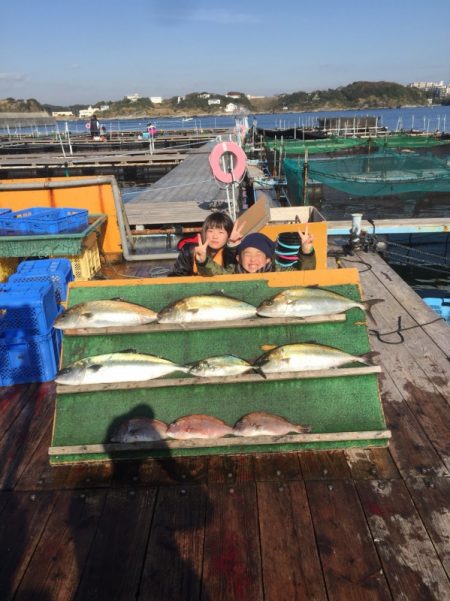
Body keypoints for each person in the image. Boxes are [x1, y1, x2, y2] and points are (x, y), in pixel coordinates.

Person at [197, 227, 316, 276]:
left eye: (259, 254)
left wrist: (306, 252)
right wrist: (203, 261)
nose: (253, 259)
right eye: (247, 254)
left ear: (268, 259)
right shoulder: (232, 273)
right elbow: (213, 273)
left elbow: (305, 274)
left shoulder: (277, 271)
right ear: (238, 258)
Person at [168, 212, 244, 276]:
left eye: (221, 232)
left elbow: (231, 272)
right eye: (210, 231)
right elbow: (177, 275)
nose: (215, 236)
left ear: (228, 235)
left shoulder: (232, 252)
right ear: (205, 232)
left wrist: (232, 246)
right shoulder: (190, 250)